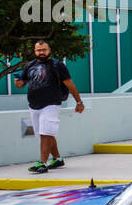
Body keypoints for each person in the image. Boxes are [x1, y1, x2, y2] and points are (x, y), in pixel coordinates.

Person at [14, 39, 84, 174]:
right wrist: (17, 81)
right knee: (45, 133)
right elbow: (21, 85)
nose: (41, 52)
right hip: (34, 105)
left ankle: (42, 163)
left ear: (49, 50)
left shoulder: (57, 65)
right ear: (35, 51)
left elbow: (70, 84)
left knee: (46, 132)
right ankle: (57, 159)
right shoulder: (29, 66)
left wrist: (79, 102)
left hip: (51, 103)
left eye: (44, 50)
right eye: (38, 50)